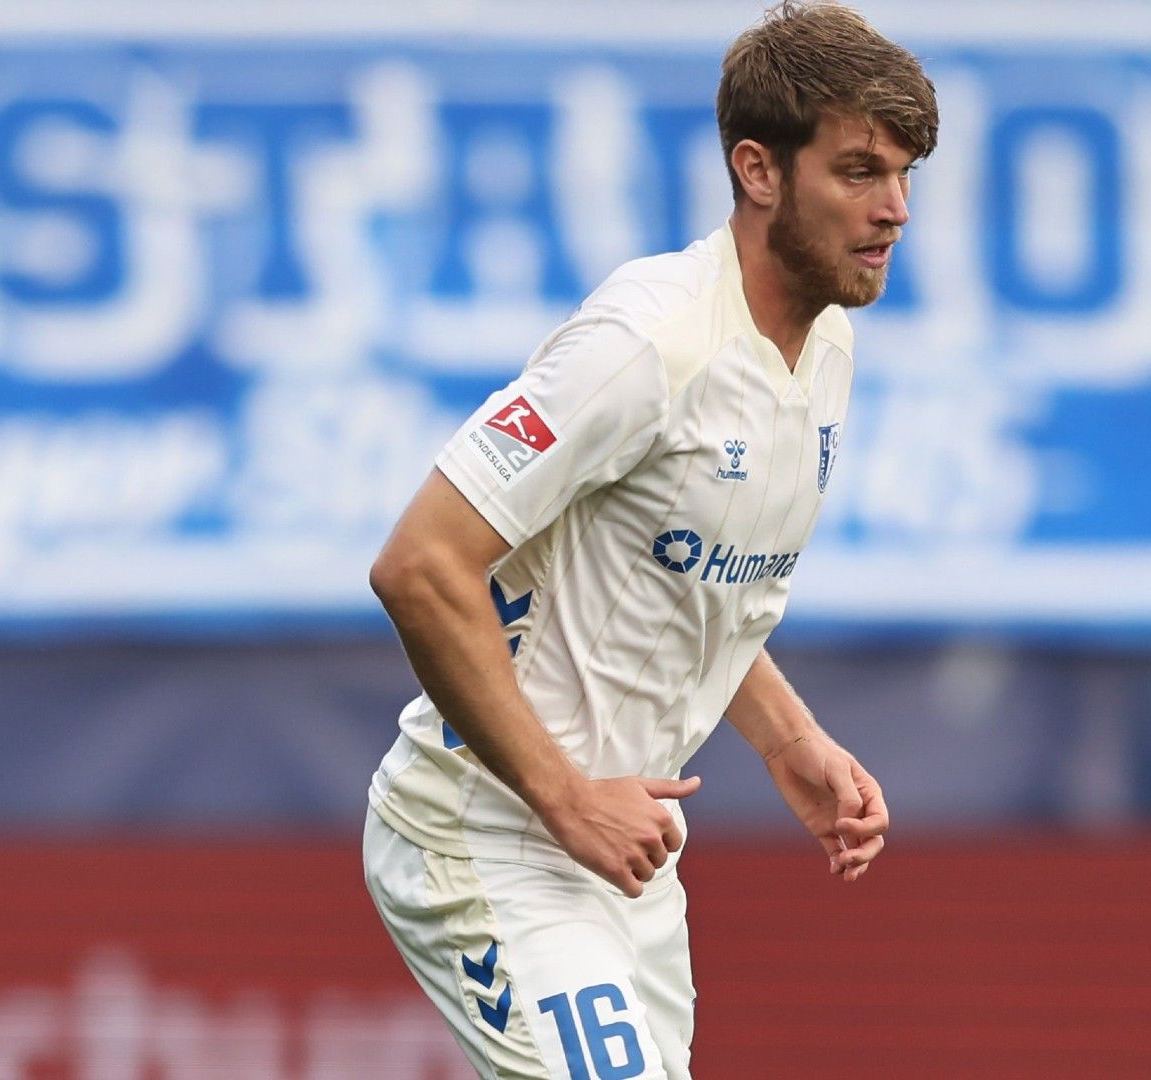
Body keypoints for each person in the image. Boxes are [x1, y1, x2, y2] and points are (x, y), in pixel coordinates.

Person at [363, 3, 938, 1076]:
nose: (895, 208)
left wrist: (789, 742)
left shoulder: (828, 351)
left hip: (623, 856)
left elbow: (692, 577)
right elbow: (419, 563)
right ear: (759, 171)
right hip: (484, 832)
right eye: (859, 171)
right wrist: (566, 792)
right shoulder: (648, 341)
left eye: (906, 174)